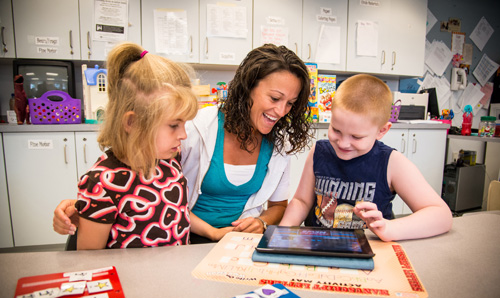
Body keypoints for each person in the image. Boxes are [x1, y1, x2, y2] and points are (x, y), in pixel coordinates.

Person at [53, 44, 313, 244]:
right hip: (187, 242)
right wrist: (87, 208)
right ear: (248, 88)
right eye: (275, 98)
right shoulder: (192, 126)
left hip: (225, 242)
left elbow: (278, 206)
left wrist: (261, 224)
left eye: (290, 103)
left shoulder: (279, 143)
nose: (281, 111)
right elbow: (133, 170)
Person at [280, 74, 453, 241]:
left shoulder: (391, 163)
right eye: (336, 130)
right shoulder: (318, 151)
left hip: (369, 251)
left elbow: (441, 215)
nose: (343, 143)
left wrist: (390, 228)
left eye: (356, 137)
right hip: (318, 246)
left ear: (382, 131)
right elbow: (301, 201)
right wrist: (281, 234)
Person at [71, 42, 198, 249]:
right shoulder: (101, 183)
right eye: (174, 125)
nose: (183, 135)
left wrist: (212, 232)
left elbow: (176, 212)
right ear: (132, 122)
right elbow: (88, 260)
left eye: (184, 124)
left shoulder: (170, 162)